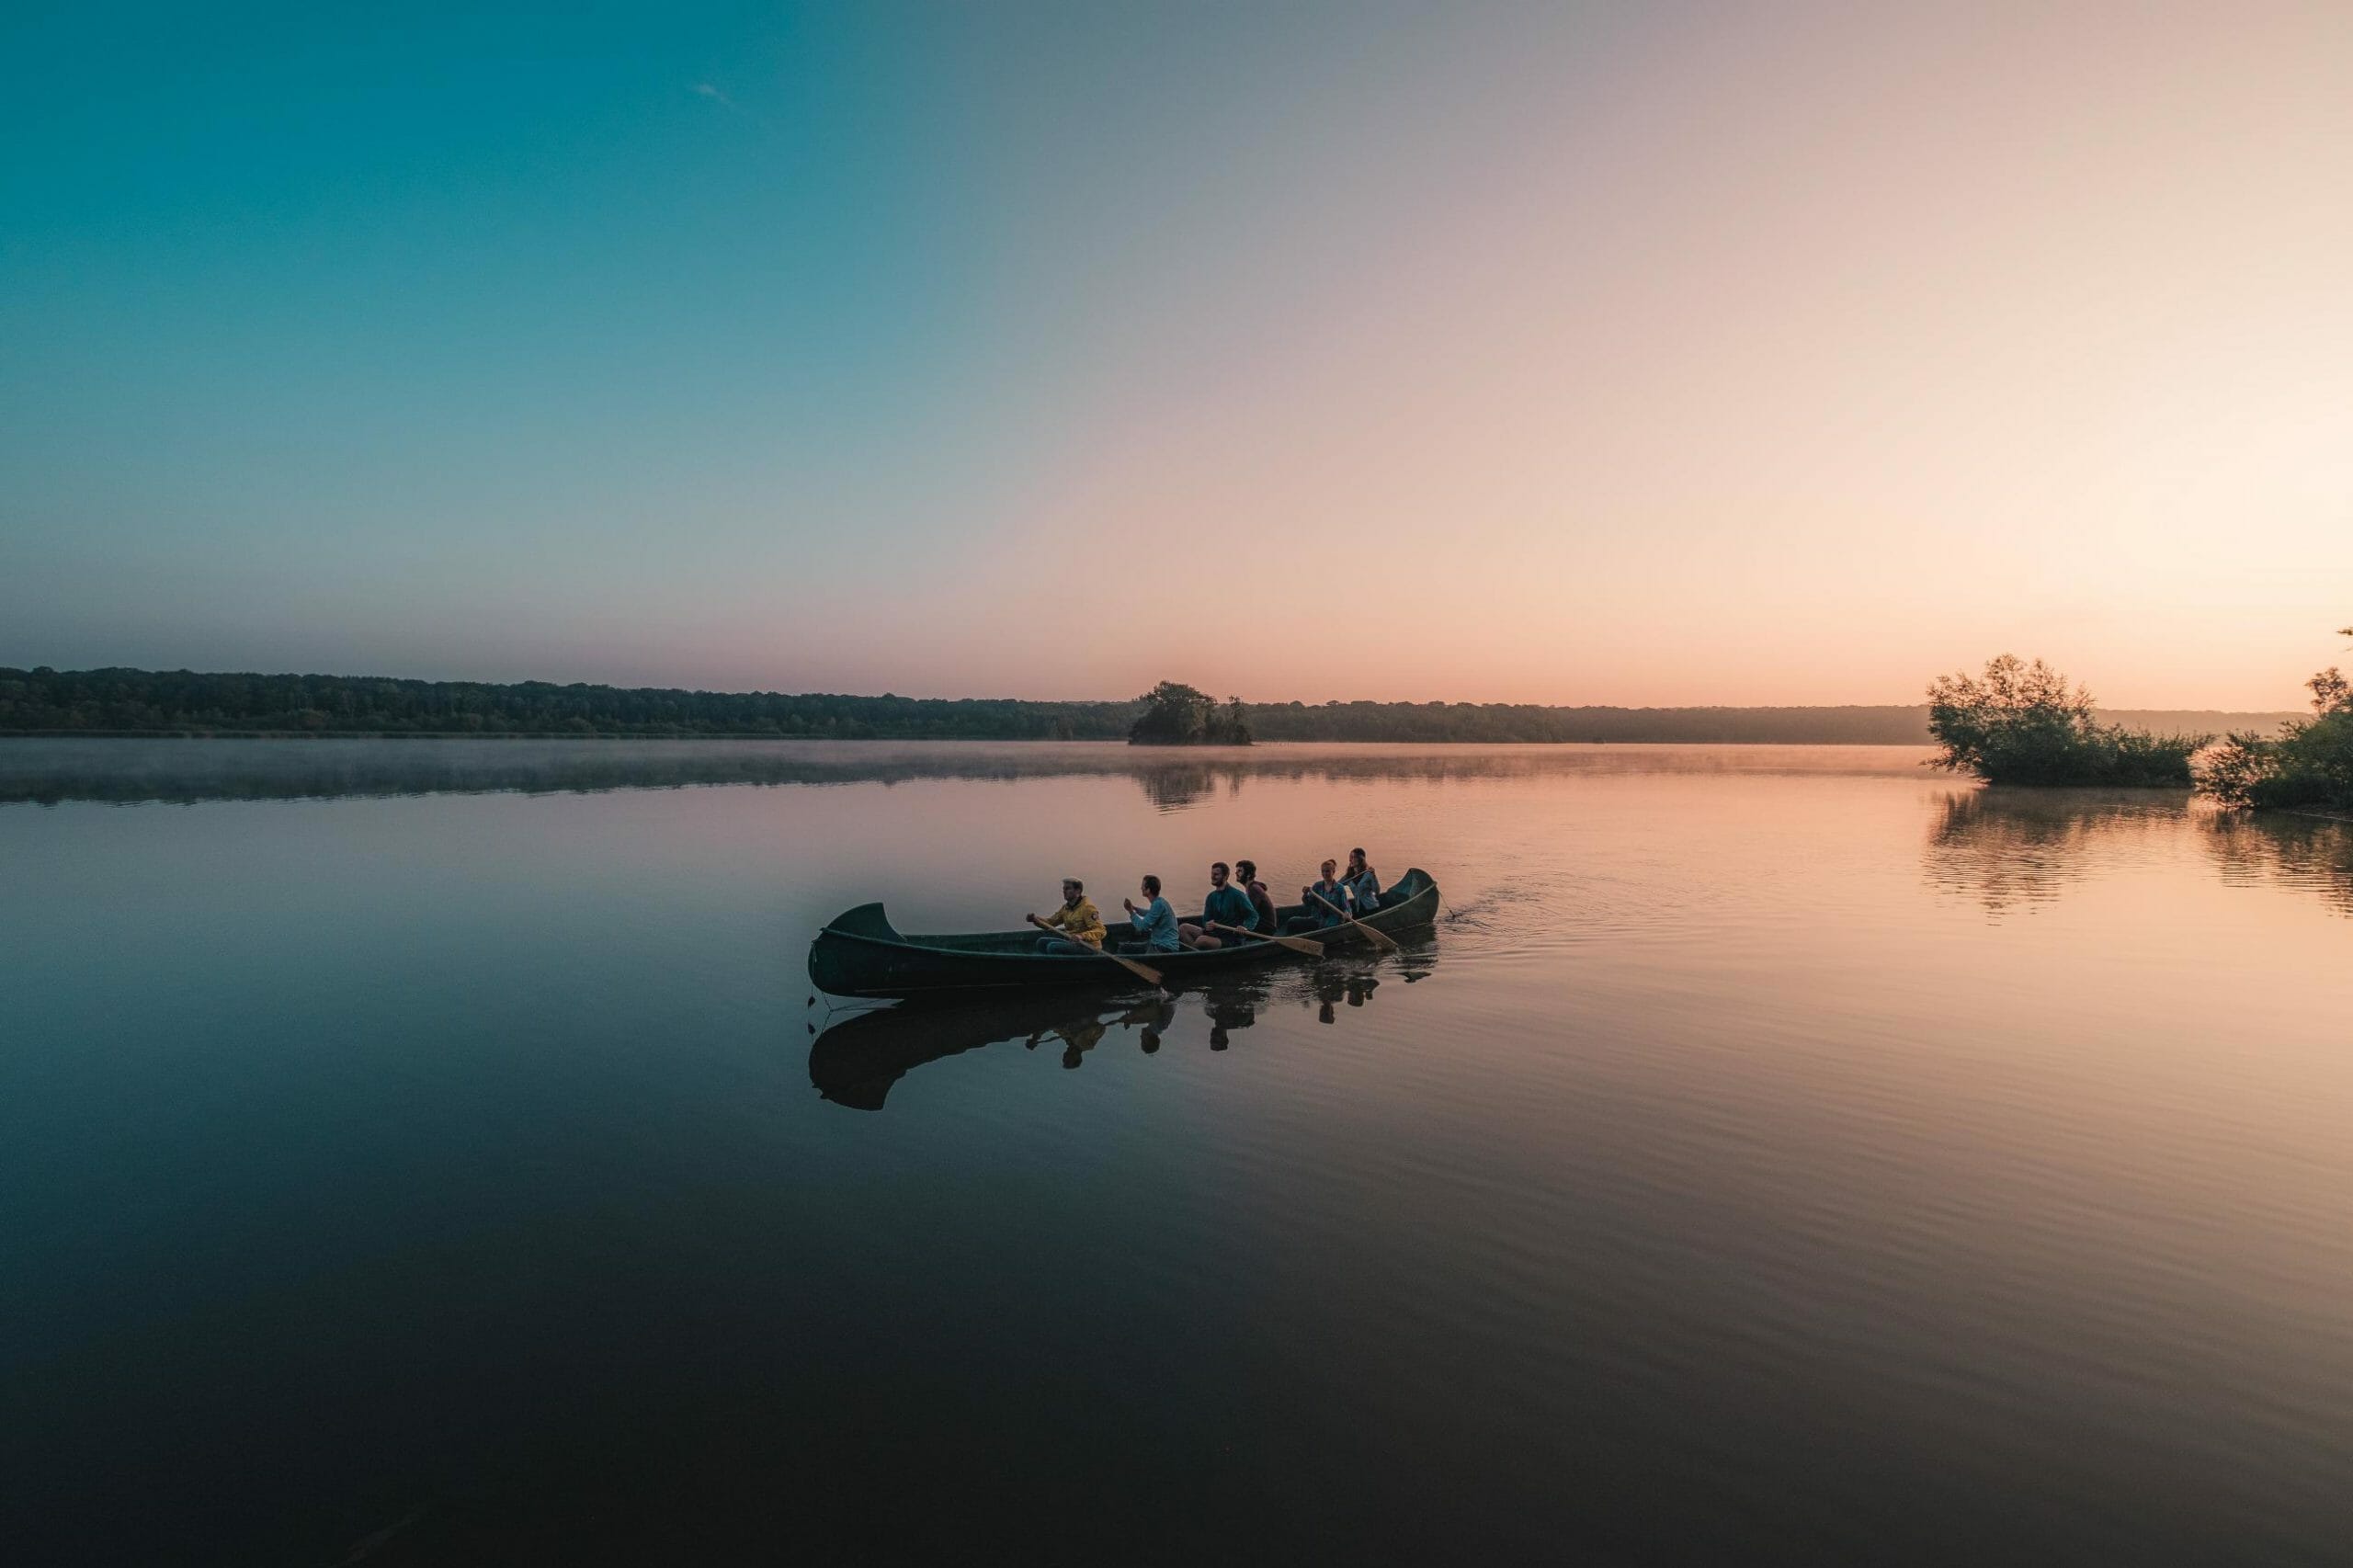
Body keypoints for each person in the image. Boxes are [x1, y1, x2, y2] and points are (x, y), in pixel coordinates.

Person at [1179, 861, 1256, 949]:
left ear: (1226, 876)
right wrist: (1207, 925)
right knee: (1183, 928)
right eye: (1212, 874)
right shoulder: (1211, 897)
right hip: (1214, 933)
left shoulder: (1238, 895)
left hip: (1230, 939)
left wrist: (1245, 927)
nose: (1213, 876)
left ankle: (1190, 956)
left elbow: (1253, 916)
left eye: (1216, 874)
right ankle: (1196, 954)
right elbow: (1206, 920)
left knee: (1202, 940)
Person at [1028, 878, 1106, 955]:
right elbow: (1050, 923)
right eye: (1064, 889)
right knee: (1041, 942)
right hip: (1072, 944)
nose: (1064, 891)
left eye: (1068, 889)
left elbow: (1101, 930)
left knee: (1053, 947)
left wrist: (1081, 936)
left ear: (1077, 891)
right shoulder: (1065, 908)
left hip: (1089, 947)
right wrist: (1035, 920)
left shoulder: (1087, 908)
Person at [1120, 875, 1180, 954]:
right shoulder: (1160, 902)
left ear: (1148, 890)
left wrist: (1131, 912)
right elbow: (1149, 913)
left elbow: (1142, 927)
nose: (1141, 888)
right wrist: (1135, 908)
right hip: (1158, 943)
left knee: (1125, 950)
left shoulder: (1158, 904)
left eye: (1142, 886)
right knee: (1124, 947)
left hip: (1165, 948)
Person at [1290, 858, 1350, 934]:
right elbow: (1308, 903)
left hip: (1332, 922)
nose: (1325, 874)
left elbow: (1346, 905)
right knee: (1292, 921)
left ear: (1333, 872)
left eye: (1327, 871)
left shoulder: (1339, 888)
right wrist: (1305, 894)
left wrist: (1347, 913)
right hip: (1317, 919)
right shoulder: (1317, 886)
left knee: (1323, 929)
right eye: (1323, 871)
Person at [1233, 859, 1279, 938]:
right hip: (1260, 924)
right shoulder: (1251, 887)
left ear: (1248, 875)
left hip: (1265, 930)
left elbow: (1249, 912)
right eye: (1237, 871)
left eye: (1240, 871)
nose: (1236, 873)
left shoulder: (1254, 889)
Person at [1343, 846, 1382, 915]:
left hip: (1372, 908)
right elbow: (1337, 885)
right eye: (1350, 857)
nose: (1350, 860)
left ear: (1360, 859)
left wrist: (1374, 876)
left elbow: (1377, 891)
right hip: (1359, 909)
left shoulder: (1368, 874)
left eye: (1353, 857)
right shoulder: (1349, 875)